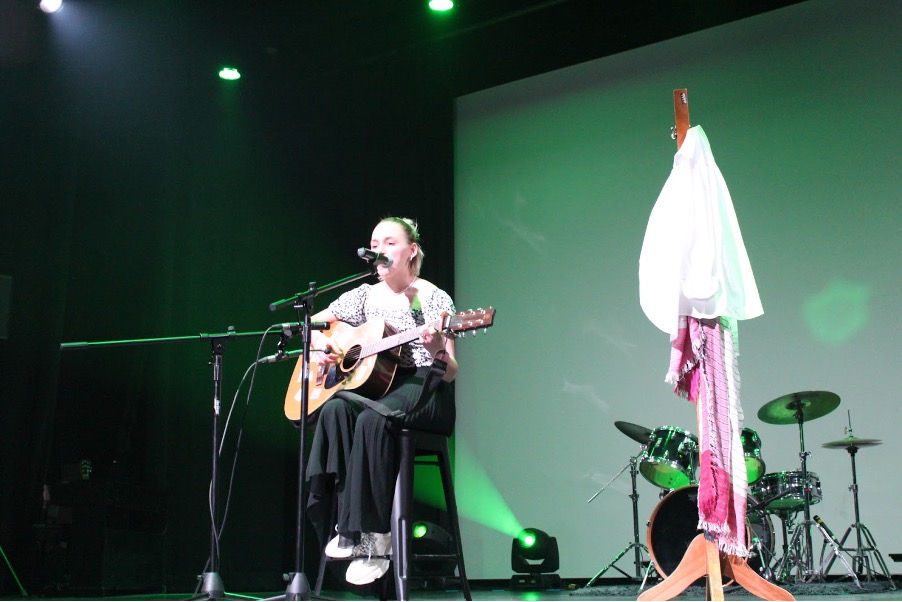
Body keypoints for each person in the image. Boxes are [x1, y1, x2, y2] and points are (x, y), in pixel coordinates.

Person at [304, 216, 458, 586]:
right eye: (375, 244)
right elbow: (313, 325)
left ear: (412, 250)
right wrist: (323, 345)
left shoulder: (432, 297)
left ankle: (376, 536)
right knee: (336, 409)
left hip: (425, 387)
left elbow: (450, 371)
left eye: (390, 242)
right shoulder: (364, 295)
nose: (380, 250)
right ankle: (347, 524)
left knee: (373, 419)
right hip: (381, 388)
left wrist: (436, 346)